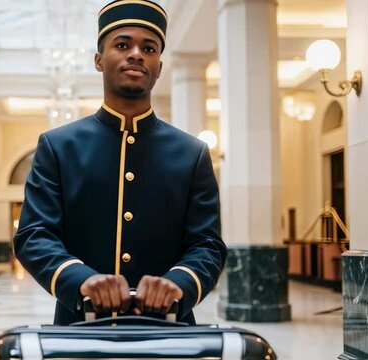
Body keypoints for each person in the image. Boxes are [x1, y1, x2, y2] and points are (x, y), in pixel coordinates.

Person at [13, 0, 226, 326]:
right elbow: (34, 234)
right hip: (81, 328)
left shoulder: (191, 152)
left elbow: (207, 244)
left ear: (159, 66)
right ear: (99, 60)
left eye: (149, 48)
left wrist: (178, 283)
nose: (137, 54)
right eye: (123, 44)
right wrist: (79, 278)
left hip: (167, 330)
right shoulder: (58, 146)